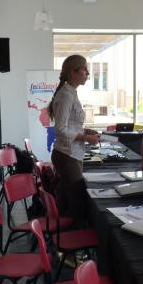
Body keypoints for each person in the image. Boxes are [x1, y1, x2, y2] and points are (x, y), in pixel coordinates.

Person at [48, 55, 100, 224]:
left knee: (68, 198)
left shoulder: (71, 92)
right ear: (73, 72)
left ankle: (64, 233)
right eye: (84, 70)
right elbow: (60, 129)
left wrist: (85, 131)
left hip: (71, 153)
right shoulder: (66, 95)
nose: (88, 74)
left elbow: (70, 125)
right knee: (77, 202)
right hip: (67, 154)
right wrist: (86, 137)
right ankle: (74, 236)